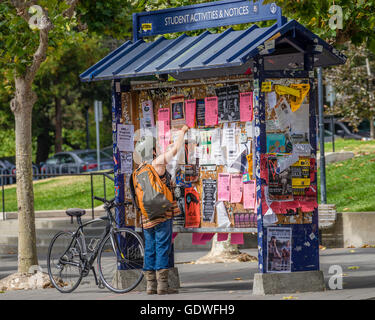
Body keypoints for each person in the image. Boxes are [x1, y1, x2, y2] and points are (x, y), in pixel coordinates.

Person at [136, 124, 189, 295]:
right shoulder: (158, 163)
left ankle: (150, 286)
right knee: (162, 246)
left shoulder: (139, 169)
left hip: (147, 216)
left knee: (150, 247)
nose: (158, 149)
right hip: (162, 213)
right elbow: (176, 150)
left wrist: (168, 146)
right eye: (156, 147)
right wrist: (182, 132)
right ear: (152, 151)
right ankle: (162, 286)